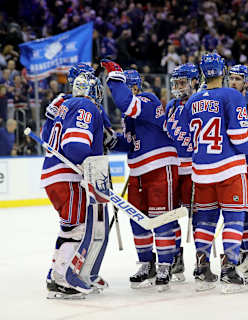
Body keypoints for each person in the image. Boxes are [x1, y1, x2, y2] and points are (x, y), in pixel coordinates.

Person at [184, 52, 248, 293]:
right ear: (224, 72)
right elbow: (240, 139)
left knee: (205, 221)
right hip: (229, 169)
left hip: (201, 171)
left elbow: (191, 138)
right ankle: (229, 269)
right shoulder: (232, 95)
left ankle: (202, 268)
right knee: (233, 218)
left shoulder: (192, 101)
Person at [101, 60, 180, 291]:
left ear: (133, 87)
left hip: (159, 168)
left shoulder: (147, 101)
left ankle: (166, 264)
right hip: (138, 172)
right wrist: (114, 141)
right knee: (138, 219)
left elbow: (125, 100)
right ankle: (147, 263)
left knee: (161, 218)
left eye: (126, 87)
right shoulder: (129, 116)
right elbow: (132, 143)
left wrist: (114, 75)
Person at [40, 72, 106, 299]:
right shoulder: (86, 107)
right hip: (67, 177)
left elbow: (46, 135)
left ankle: (54, 275)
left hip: (52, 175)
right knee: (78, 228)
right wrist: (89, 169)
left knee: (68, 227)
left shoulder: (64, 106)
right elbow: (75, 146)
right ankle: (63, 278)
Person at [164, 63, 199, 282]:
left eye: (182, 82)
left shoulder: (199, 103)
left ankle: (201, 258)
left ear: (194, 82)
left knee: (198, 218)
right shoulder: (171, 106)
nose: (178, 87)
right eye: (175, 82)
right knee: (171, 215)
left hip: (195, 169)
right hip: (173, 167)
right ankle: (176, 257)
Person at [228, 64, 248, 278]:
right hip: (230, 164)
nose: (233, 82)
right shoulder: (227, 100)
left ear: (246, 81)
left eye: (238, 79)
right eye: (230, 78)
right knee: (236, 212)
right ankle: (238, 253)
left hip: (247, 163)